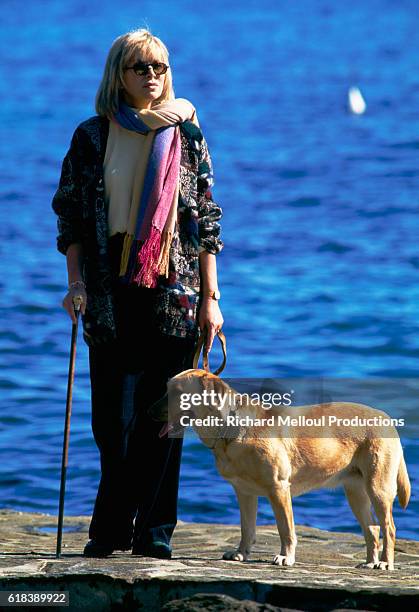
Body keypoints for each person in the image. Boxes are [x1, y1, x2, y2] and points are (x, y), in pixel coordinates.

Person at [52, 29, 223, 559]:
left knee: (164, 422)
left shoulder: (187, 134)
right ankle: (110, 527)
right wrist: (75, 283)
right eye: (141, 68)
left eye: (161, 67)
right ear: (118, 75)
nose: (153, 77)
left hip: (175, 293)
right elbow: (72, 218)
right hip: (109, 290)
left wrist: (213, 297)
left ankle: (151, 536)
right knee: (112, 422)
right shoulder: (92, 137)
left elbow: (205, 221)